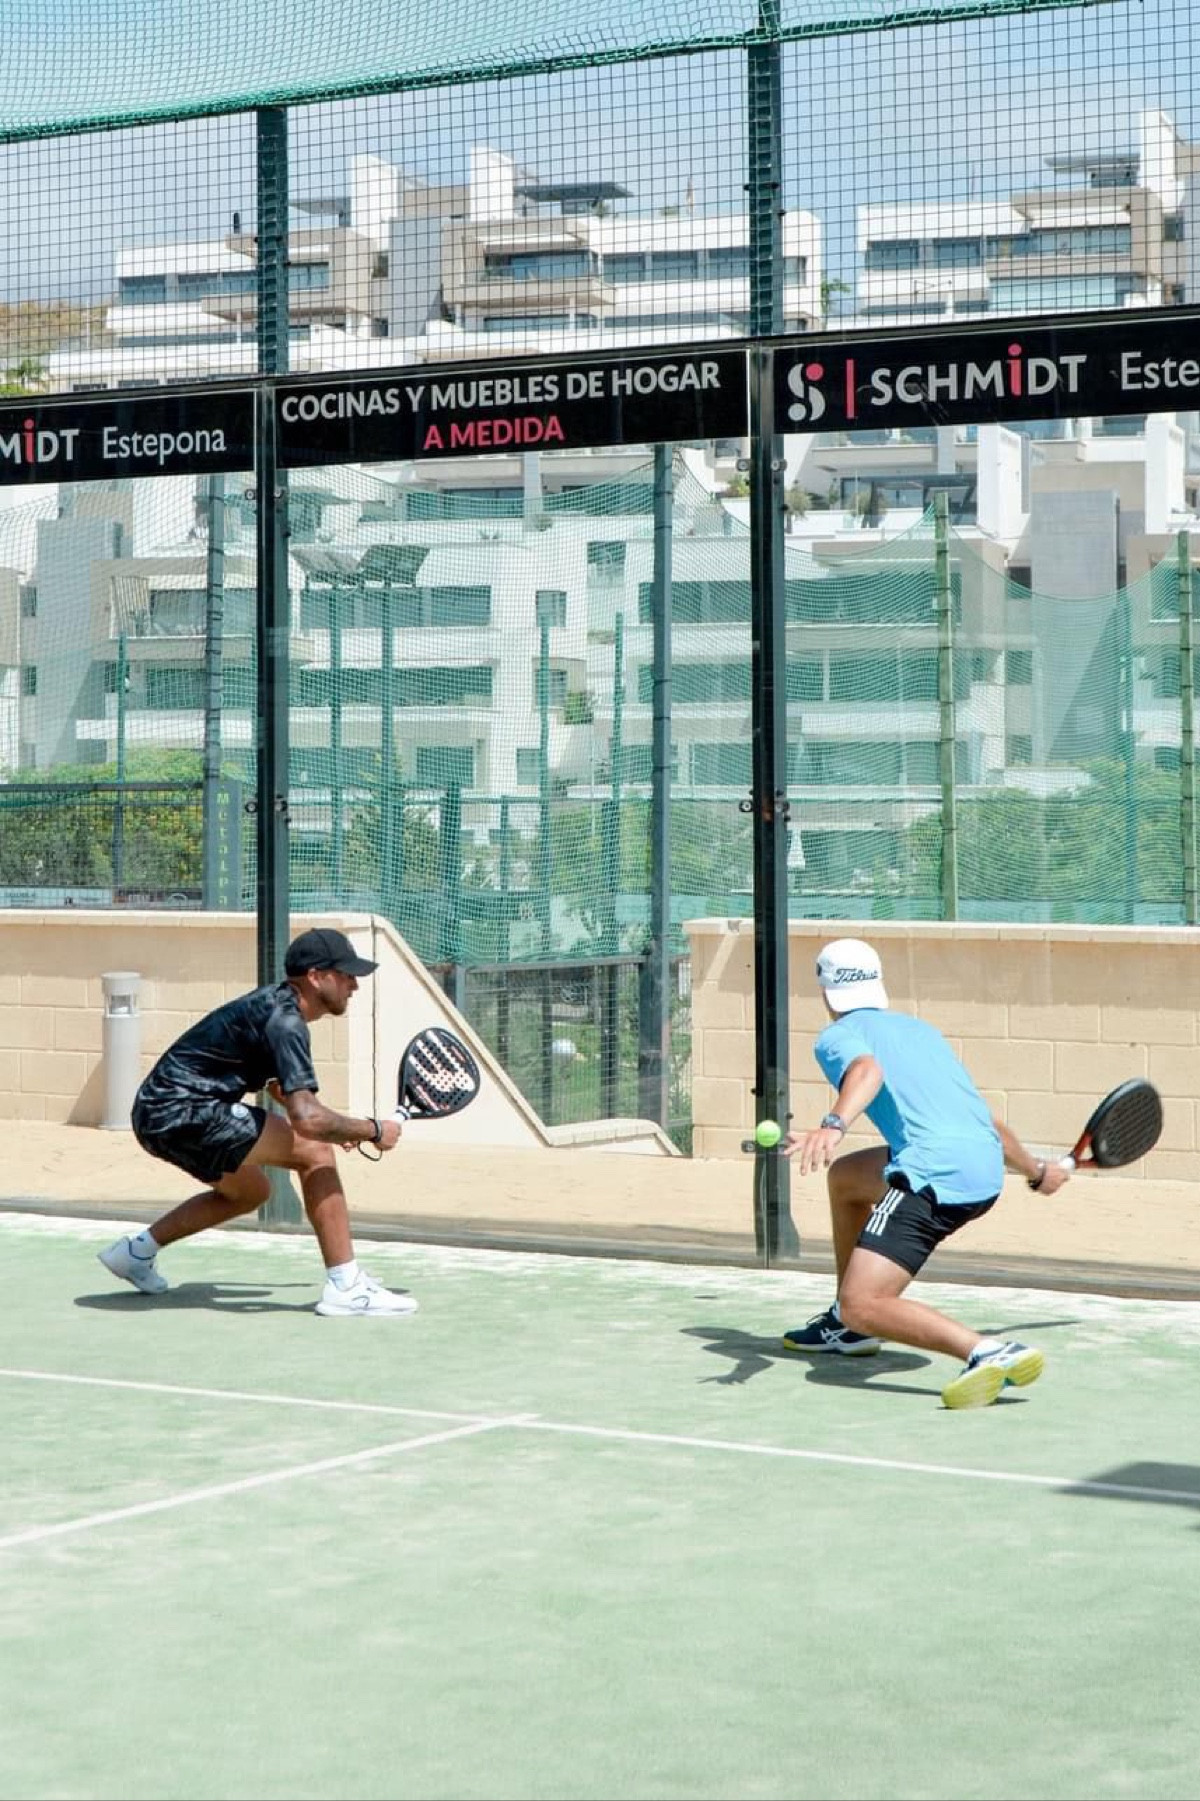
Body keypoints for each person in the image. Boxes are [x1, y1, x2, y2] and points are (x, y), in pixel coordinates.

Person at [780, 937, 1071, 1409]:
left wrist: (833, 1125)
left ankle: (986, 1351)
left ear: (825, 992)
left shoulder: (835, 1037)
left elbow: (867, 1071)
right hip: (982, 1170)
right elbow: (985, 1121)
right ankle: (849, 1330)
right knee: (847, 1179)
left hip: (931, 1175)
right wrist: (1036, 1171)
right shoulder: (922, 1033)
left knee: (862, 1302)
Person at [98, 926, 416, 1318]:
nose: (354, 985)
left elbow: (283, 1090)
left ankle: (135, 1253)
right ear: (316, 977)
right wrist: (373, 1130)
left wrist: (339, 1128)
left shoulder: (276, 1007)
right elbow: (307, 1120)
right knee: (314, 1152)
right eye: (346, 974)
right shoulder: (286, 1022)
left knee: (250, 1192)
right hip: (183, 1110)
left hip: (155, 1113)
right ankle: (346, 1286)